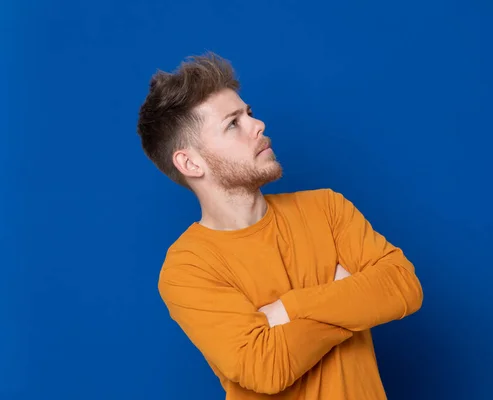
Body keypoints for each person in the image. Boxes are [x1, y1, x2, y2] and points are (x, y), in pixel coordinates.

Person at [136, 52, 424, 400]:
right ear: (190, 163)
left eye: (250, 114)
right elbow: (265, 368)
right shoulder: (187, 268)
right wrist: (349, 298)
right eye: (233, 123)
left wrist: (287, 310)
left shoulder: (326, 208)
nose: (258, 126)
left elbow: (402, 286)